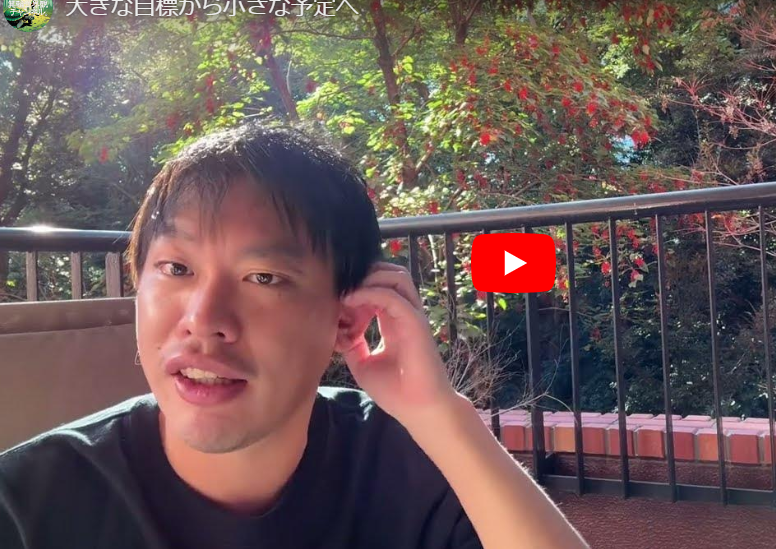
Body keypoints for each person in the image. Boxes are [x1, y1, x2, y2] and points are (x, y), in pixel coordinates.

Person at [0, 124, 590, 549]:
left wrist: (441, 416)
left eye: (264, 277)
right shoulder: (29, 503)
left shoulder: (408, 463)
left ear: (347, 318)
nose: (203, 317)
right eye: (176, 268)